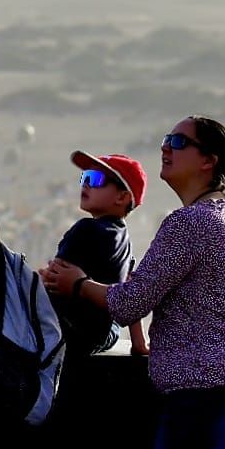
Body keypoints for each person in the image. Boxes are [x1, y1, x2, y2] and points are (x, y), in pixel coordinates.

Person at [42, 115, 225, 449]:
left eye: (179, 142)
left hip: (206, 394)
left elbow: (131, 301)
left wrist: (77, 283)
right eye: (167, 139)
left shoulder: (190, 222)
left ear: (208, 161)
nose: (166, 147)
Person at [50, 150, 148, 357]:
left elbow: (53, 280)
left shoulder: (86, 229)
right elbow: (129, 287)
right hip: (104, 335)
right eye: (84, 177)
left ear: (122, 197)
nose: (86, 184)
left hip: (68, 331)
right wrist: (138, 343)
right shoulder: (125, 240)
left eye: (96, 179)